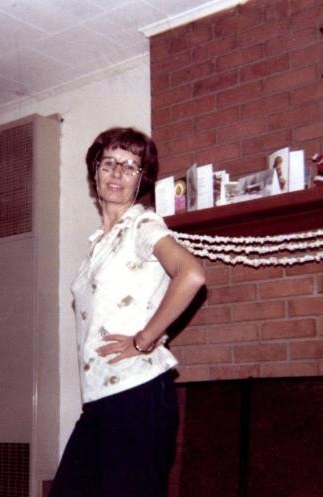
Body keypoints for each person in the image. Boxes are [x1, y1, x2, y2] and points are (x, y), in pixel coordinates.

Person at [49, 127, 206, 497]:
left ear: (141, 179)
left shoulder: (142, 224)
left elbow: (192, 274)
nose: (117, 172)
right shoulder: (99, 244)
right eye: (109, 163)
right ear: (95, 172)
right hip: (99, 400)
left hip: (138, 395)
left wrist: (144, 339)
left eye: (130, 166)